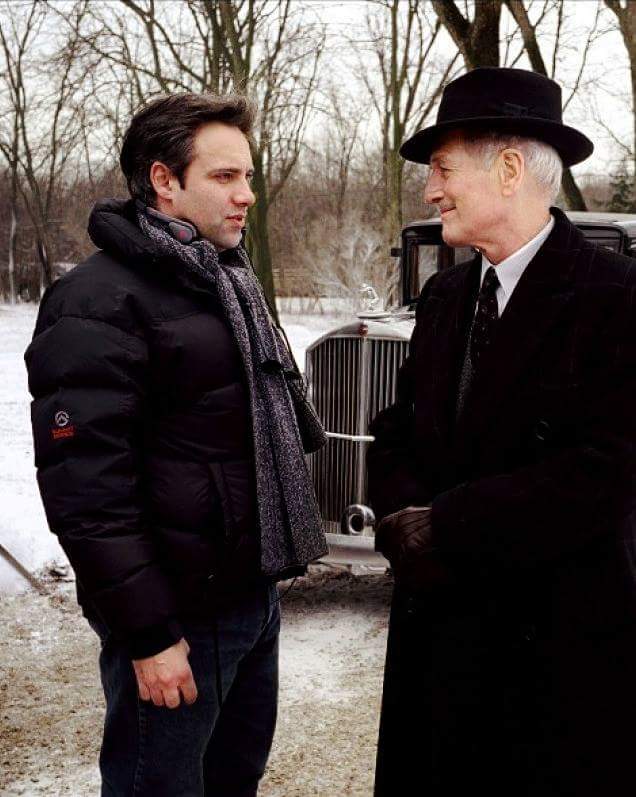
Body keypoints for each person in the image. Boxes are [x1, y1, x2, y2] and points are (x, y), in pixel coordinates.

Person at [25, 93, 327, 796]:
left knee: (234, 781)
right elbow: (86, 491)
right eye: (225, 177)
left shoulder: (228, 281)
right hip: (179, 619)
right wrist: (150, 634)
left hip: (251, 596)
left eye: (248, 176)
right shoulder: (99, 299)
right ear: (164, 180)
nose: (247, 194)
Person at [368, 67, 636, 797]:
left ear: (511, 169)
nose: (431, 190)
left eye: (443, 168)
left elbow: (606, 470)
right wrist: (399, 516)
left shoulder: (615, 300)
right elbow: (396, 430)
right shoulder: (447, 294)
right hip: (437, 644)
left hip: (551, 661)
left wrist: (447, 524)